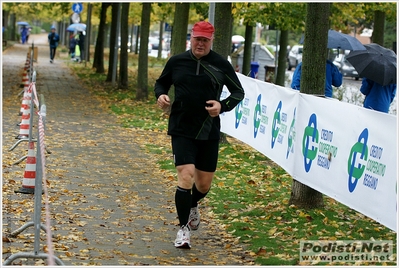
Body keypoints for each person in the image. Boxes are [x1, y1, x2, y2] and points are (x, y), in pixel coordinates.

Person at [154, 21, 245, 249]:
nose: (200, 43)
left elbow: (238, 92)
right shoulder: (177, 61)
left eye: (205, 40)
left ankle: (193, 203)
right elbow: (161, 83)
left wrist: (222, 106)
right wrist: (161, 95)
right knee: (186, 175)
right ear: (191, 38)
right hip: (181, 126)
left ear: (211, 41)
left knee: (203, 185)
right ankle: (183, 229)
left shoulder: (220, 64)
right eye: (197, 39)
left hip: (208, 129)